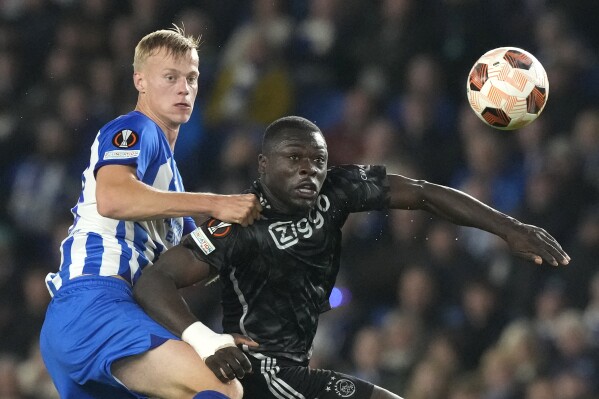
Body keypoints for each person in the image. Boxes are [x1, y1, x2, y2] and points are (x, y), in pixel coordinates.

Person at [133, 116, 570, 399]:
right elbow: (153, 280)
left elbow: (421, 194)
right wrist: (203, 340)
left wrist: (509, 228)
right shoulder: (237, 224)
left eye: (318, 160)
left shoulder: (336, 189)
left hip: (295, 366)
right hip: (260, 374)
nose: (309, 170)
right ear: (263, 166)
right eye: (294, 158)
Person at [39, 26, 263, 399]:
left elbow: (185, 268)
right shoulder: (134, 127)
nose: (184, 88)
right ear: (139, 81)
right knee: (223, 390)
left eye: (191, 78)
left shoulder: (168, 191)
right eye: (170, 77)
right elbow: (113, 198)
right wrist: (215, 202)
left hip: (94, 321)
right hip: (95, 303)